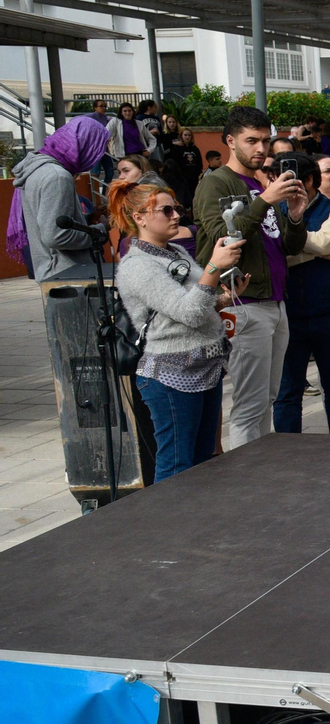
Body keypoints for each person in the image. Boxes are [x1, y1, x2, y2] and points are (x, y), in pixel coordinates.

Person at [107, 180, 243, 481]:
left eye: (176, 208)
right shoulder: (137, 266)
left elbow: (194, 305)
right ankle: (167, 527)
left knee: (202, 460)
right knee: (176, 467)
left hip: (204, 367)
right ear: (140, 217)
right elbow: (189, 313)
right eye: (166, 210)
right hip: (172, 375)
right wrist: (212, 268)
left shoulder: (175, 251)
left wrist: (223, 296)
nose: (176, 216)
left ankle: (193, 524)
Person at [194, 107, 309, 450]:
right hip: (242, 303)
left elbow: (287, 246)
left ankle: (260, 473)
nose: (261, 149)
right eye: (252, 141)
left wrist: (296, 215)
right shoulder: (216, 182)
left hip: (274, 301)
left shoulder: (261, 184)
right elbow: (221, 241)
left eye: (265, 141)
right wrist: (266, 201)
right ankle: (246, 481)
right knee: (249, 406)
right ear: (230, 141)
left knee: (267, 399)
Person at [275, 152, 330, 435]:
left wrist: (287, 246)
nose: (281, 185)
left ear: (308, 180)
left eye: (289, 179)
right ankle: (288, 452)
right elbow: (317, 247)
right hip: (287, 314)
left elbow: (327, 243)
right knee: (287, 392)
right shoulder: (273, 213)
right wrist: (313, 249)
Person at [7, 117, 112, 281]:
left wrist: (87, 220)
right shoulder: (58, 177)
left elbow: (49, 221)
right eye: (98, 149)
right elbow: (56, 236)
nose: (98, 156)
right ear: (85, 146)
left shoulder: (39, 170)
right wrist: (99, 230)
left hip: (56, 274)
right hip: (69, 276)